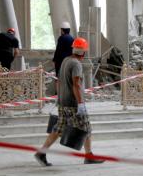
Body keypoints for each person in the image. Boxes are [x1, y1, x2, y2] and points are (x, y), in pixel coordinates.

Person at [34, 37, 104, 166]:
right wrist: (81, 104)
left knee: (58, 128)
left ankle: (41, 153)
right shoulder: (76, 64)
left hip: (63, 102)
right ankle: (89, 156)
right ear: (83, 52)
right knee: (86, 128)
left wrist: (59, 97)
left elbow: (59, 81)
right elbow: (76, 84)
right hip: (73, 103)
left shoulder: (66, 60)